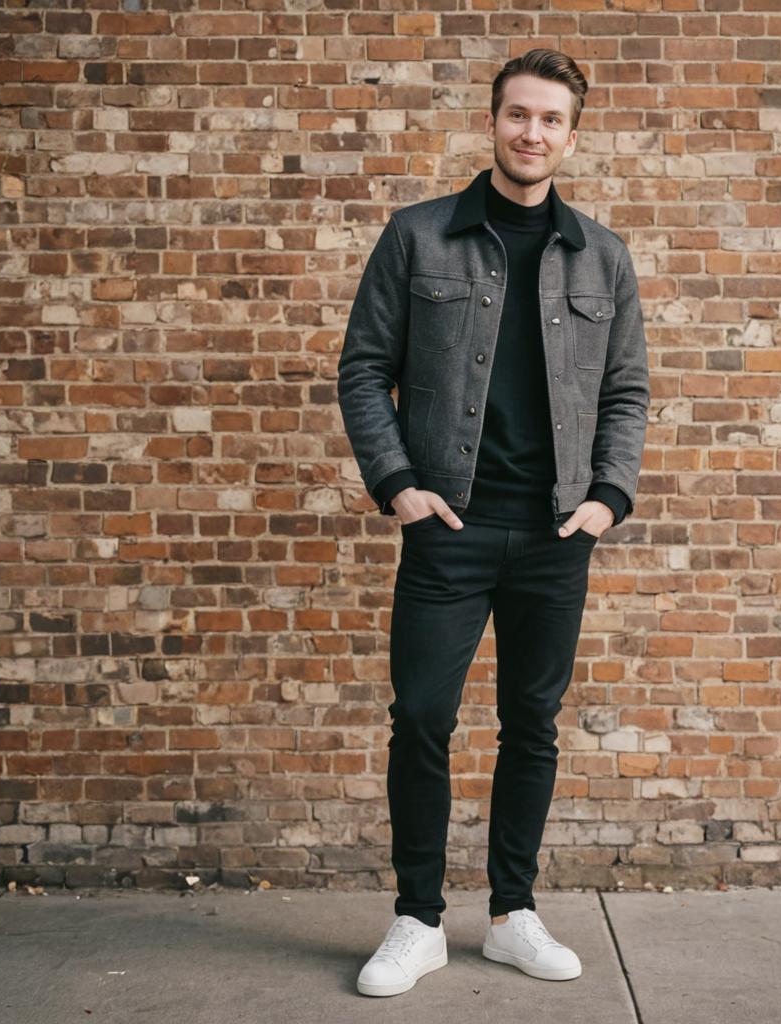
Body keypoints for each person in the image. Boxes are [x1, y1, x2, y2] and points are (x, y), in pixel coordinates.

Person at [337, 47, 650, 997]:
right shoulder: (418, 235)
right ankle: (419, 919)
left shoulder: (602, 253)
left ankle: (513, 915)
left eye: (552, 119)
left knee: (533, 723)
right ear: (493, 121)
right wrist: (397, 485)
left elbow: (628, 389)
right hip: (449, 527)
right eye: (520, 115)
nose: (533, 133)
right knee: (422, 718)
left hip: (557, 532)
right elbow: (362, 368)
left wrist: (608, 497)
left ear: (572, 133)